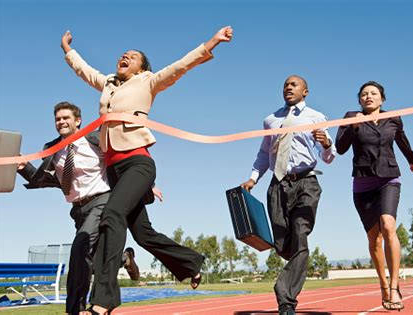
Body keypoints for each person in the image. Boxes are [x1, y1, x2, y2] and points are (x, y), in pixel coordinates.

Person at [61, 26, 233, 314]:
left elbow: (181, 66)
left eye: (132, 56)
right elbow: (85, 71)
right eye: (122, 55)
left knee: (111, 216)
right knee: (142, 233)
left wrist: (213, 42)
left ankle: (103, 299)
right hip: (115, 171)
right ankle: (191, 263)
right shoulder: (108, 83)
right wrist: (68, 50)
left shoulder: (148, 82)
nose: (124, 57)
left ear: (142, 67)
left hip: (138, 162)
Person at [17, 102, 144, 314]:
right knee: (90, 260)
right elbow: (45, 180)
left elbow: (121, 161)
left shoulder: (94, 139)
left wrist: (143, 182)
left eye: (66, 118)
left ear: (78, 121)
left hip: (101, 200)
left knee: (78, 250)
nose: (61, 122)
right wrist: (23, 167)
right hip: (78, 210)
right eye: (58, 119)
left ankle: (74, 309)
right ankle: (124, 258)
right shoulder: (52, 149)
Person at [241, 75, 336, 315]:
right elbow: (264, 153)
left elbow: (329, 156)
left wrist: (326, 143)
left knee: (300, 235)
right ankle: (292, 268)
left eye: (294, 84)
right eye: (285, 84)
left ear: (306, 91)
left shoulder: (316, 117)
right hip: (278, 185)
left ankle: (285, 299)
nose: (288, 87)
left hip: (306, 182)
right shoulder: (271, 120)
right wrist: (253, 178)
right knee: (283, 245)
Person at [335, 81, 413, 311]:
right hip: (362, 183)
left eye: (373, 93)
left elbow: (402, 140)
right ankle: (383, 285)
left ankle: (394, 287)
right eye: (364, 94)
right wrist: (353, 127)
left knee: (388, 225)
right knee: (374, 240)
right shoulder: (351, 117)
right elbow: (341, 147)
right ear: (359, 100)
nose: (368, 97)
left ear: (382, 99)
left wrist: (412, 160)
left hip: (388, 179)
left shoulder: (393, 117)